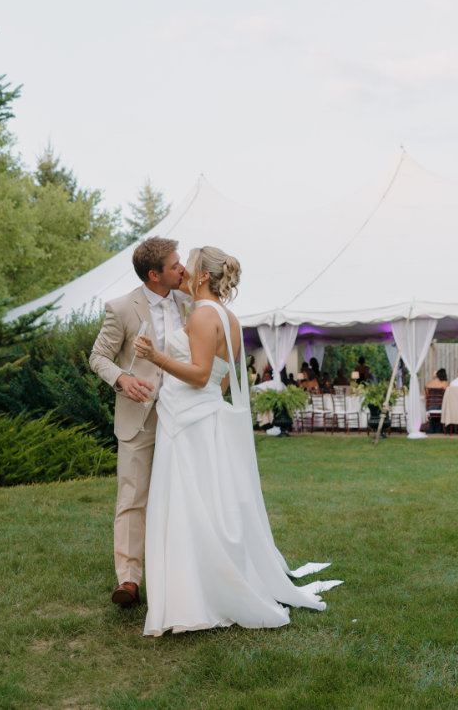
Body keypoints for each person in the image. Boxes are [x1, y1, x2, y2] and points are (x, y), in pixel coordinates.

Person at [133, 246, 340, 636]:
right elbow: (222, 378)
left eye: (189, 265)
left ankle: (194, 595)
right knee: (208, 505)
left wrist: (157, 358)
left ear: (204, 276)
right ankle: (210, 581)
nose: (184, 271)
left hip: (188, 424)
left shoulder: (200, 314)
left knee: (188, 505)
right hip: (204, 416)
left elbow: (198, 374)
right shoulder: (227, 317)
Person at [89, 237, 189, 609]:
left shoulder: (191, 301)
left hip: (183, 414)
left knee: (182, 494)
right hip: (138, 416)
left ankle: (180, 572)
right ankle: (129, 579)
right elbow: (98, 356)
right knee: (132, 497)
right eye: (175, 264)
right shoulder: (121, 308)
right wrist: (123, 379)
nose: (182, 269)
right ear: (154, 274)